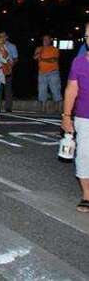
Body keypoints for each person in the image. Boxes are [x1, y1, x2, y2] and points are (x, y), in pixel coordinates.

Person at [61, 22, 89, 212]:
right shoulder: (79, 62)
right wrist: (66, 116)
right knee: (84, 155)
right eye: (88, 34)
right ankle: (87, 195)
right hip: (84, 116)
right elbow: (71, 90)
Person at [35, 35, 62, 113]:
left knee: (55, 90)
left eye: (47, 39)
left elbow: (53, 60)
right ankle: (43, 108)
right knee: (42, 90)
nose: (45, 40)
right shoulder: (39, 48)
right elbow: (35, 57)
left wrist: (42, 59)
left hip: (53, 72)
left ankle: (58, 109)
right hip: (42, 72)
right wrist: (40, 53)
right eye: (44, 39)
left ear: (50, 40)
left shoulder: (55, 49)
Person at [0, 31, 18, 113]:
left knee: (8, 89)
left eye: (3, 36)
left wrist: (11, 66)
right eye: (0, 36)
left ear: (7, 37)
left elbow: (16, 58)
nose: (2, 38)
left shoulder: (12, 46)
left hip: (7, 69)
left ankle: (8, 107)